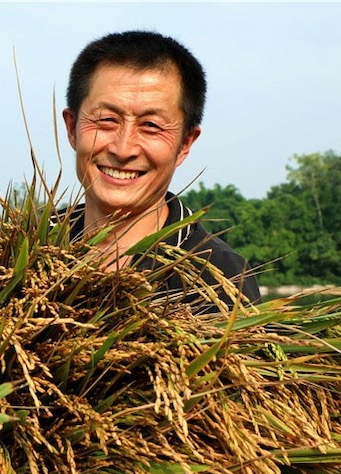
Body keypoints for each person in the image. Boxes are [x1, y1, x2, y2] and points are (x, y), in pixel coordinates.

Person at [60, 30, 261, 309]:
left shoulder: (218, 279)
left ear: (185, 144)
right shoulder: (21, 252)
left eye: (151, 126)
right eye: (106, 120)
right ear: (72, 128)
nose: (123, 148)